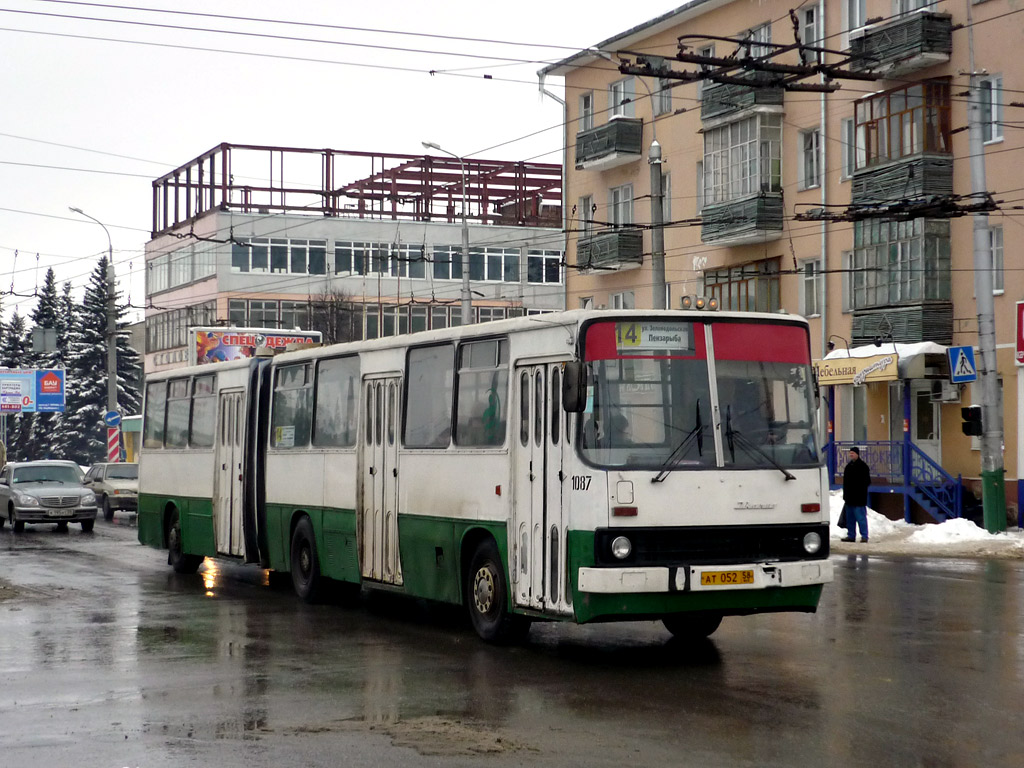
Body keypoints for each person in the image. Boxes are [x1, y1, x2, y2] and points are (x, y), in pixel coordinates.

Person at [841, 447, 871, 543]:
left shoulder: (863, 467)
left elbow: (867, 481)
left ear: (857, 454)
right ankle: (851, 536)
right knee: (850, 519)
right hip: (849, 498)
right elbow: (845, 483)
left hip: (859, 498)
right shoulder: (848, 466)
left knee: (861, 518)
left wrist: (860, 491)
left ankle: (864, 536)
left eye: (853, 453)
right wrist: (845, 496)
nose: (851, 455)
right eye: (850, 453)